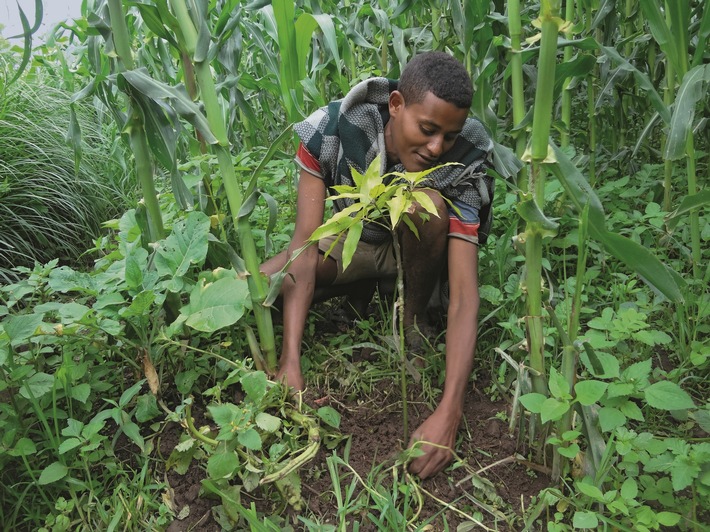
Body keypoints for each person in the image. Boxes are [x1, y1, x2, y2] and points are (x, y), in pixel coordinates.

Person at [261, 51, 495, 479]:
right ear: (395, 105)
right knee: (260, 285)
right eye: (427, 130)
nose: (436, 147)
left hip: (425, 253)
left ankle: (411, 321)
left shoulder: (467, 156)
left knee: (427, 207)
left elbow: (464, 297)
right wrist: (289, 361)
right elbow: (303, 250)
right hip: (354, 241)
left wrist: (450, 412)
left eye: (449, 134)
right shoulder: (331, 130)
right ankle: (362, 290)